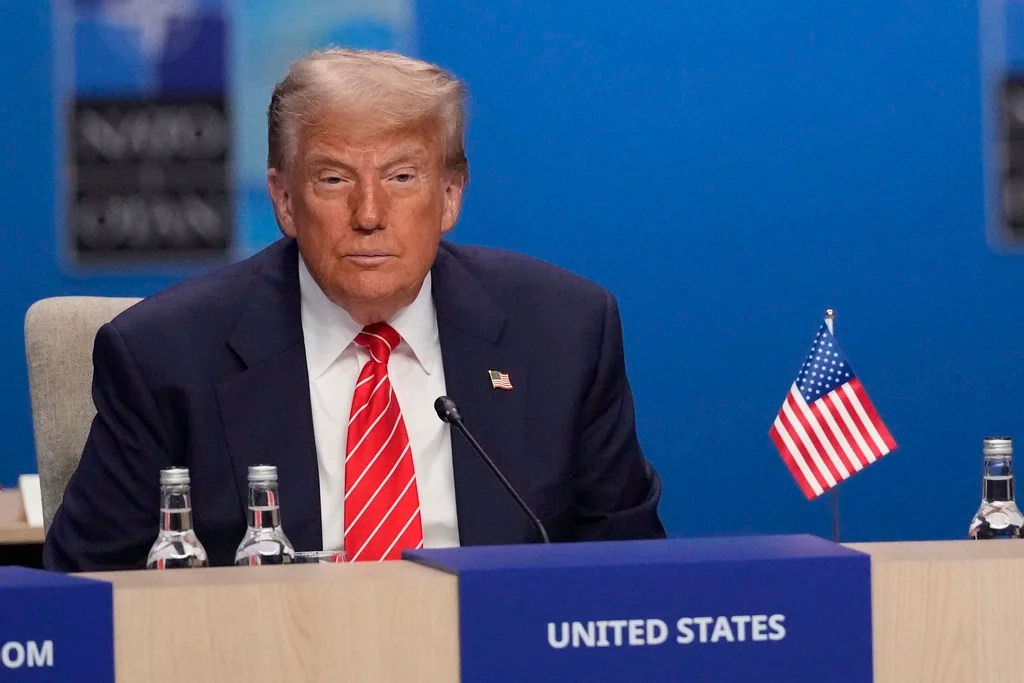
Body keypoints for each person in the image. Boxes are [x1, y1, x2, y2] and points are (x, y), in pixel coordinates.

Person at [44, 48, 665, 571]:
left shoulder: (563, 332)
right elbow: (85, 596)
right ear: (285, 200)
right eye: (335, 180)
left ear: (450, 197)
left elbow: (630, 577)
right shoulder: (166, 356)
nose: (369, 215)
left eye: (401, 177)